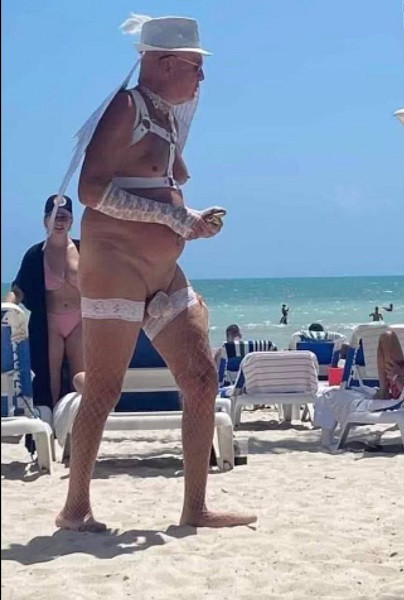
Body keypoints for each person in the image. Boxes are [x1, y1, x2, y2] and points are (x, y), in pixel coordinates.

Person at [56, 15, 256, 532]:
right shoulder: (127, 108)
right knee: (104, 390)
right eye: (195, 65)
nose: (202, 76)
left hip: (164, 270)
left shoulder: (165, 118)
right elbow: (91, 191)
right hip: (115, 268)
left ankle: (195, 508)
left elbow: (163, 186)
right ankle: (75, 508)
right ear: (165, 63)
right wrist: (173, 217)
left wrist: (192, 220)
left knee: (202, 379)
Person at [5, 195, 83, 410]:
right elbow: (18, 290)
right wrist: (7, 309)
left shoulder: (84, 250)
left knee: (80, 376)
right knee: (50, 379)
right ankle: (51, 420)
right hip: (50, 324)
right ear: (45, 220)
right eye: (54, 216)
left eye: (64, 217)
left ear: (71, 221)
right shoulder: (35, 254)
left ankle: (81, 418)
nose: (59, 222)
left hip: (80, 321)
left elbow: (104, 282)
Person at [375, 330, 404, 399]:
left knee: (387, 336)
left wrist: (396, 376)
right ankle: (384, 389)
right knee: (387, 336)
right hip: (403, 383)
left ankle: (383, 390)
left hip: (403, 387)